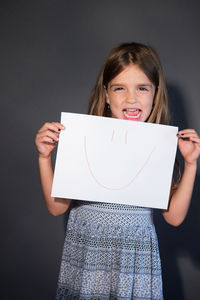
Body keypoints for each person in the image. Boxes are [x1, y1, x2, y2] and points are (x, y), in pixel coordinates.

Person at [35, 42, 200, 300]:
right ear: (107, 95)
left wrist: (190, 164)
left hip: (135, 265)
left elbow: (174, 218)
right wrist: (45, 157)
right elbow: (56, 208)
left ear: (155, 95)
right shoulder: (83, 139)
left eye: (142, 88)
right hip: (89, 258)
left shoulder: (157, 147)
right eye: (119, 88)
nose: (131, 98)